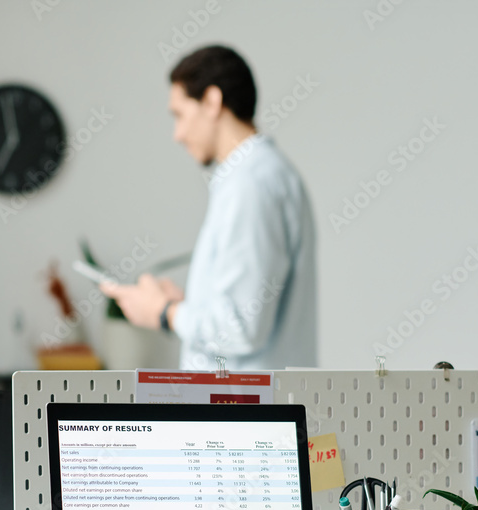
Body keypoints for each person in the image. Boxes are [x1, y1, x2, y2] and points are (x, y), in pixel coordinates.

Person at [102, 45, 317, 371]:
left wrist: (164, 312)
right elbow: (247, 309)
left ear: (212, 102)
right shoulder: (264, 174)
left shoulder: (250, 183)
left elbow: (241, 328)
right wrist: (186, 306)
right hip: (257, 410)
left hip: (245, 414)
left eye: (180, 115)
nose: (177, 134)